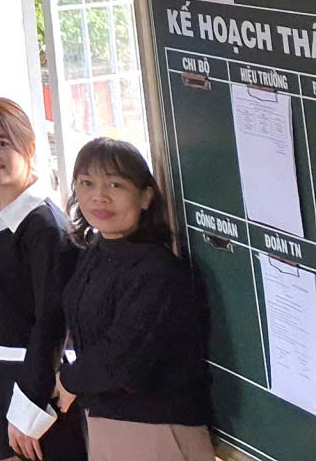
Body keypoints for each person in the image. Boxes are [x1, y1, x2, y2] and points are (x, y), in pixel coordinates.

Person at [58, 138, 213, 461]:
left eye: (115, 184)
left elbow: (123, 359)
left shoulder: (156, 269)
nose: (99, 196)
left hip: (156, 429)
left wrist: (70, 380)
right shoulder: (95, 251)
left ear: (145, 197)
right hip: (108, 421)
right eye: (87, 183)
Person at [0, 96, 84, 461]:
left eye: (1, 142)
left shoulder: (45, 226)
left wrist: (30, 409)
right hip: (2, 379)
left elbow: (53, 323)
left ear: (29, 146)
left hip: (37, 391)